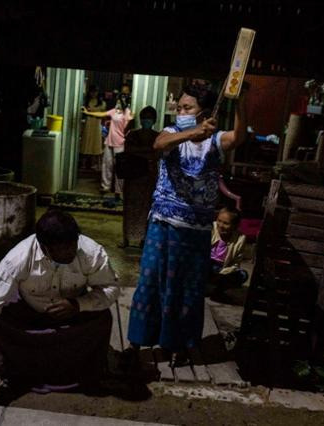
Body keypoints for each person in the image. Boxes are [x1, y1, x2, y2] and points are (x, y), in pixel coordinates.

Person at [126, 81, 248, 367]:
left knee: (188, 288)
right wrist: (193, 131)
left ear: (203, 112)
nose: (180, 111)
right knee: (150, 282)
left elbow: (239, 136)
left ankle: (178, 344)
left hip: (196, 229)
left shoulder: (215, 141)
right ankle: (136, 342)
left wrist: (241, 101)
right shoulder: (172, 133)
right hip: (163, 223)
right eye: (179, 107)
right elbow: (158, 144)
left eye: (186, 107)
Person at [0, 210, 120, 389]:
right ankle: (27, 363)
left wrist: (78, 305)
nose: (70, 252)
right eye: (62, 249)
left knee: (103, 318)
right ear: (44, 247)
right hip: (29, 315)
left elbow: (111, 289)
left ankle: (78, 369)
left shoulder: (91, 253)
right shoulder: (17, 259)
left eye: (73, 245)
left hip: (73, 316)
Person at [82, 83, 134, 199]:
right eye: (118, 101)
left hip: (120, 143)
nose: (118, 104)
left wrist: (129, 116)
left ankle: (118, 190)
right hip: (109, 141)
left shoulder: (127, 113)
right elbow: (101, 114)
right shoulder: (114, 112)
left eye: (121, 102)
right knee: (107, 165)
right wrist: (87, 113)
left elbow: (130, 124)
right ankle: (105, 186)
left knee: (119, 167)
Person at [118, 106, 161, 247]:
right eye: (144, 118)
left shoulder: (158, 136)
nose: (146, 121)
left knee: (147, 209)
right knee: (130, 207)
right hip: (134, 177)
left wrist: (141, 153)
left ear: (153, 120)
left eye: (149, 118)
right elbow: (130, 150)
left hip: (148, 178)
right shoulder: (132, 134)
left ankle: (143, 239)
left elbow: (157, 153)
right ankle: (126, 238)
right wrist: (148, 152)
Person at [209, 206, 248, 298]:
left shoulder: (240, 238)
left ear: (235, 226)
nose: (221, 225)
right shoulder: (211, 228)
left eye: (226, 223)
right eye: (219, 221)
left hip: (223, 269)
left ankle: (218, 291)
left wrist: (223, 272)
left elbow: (236, 263)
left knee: (242, 274)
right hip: (207, 264)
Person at [79, 85, 106, 170]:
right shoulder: (86, 101)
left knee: (95, 144)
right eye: (92, 91)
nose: (94, 93)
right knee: (86, 143)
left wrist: (92, 110)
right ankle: (83, 164)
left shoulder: (102, 102)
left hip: (97, 124)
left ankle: (93, 164)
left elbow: (103, 112)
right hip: (88, 124)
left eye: (95, 92)